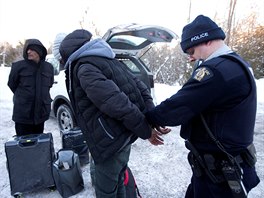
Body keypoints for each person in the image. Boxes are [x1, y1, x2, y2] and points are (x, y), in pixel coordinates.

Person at [145, 15, 260, 198]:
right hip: (223, 166)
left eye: (190, 50)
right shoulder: (237, 63)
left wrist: (148, 118)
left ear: (205, 41)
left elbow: (179, 106)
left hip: (220, 175)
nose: (191, 56)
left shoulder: (216, 71)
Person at [57, 29, 167, 198]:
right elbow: (141, 88)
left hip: (109, 143)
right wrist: (150, 118)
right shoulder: (109, 60)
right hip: (122, 137)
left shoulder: (85, 68)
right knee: (119, 180)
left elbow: (118, 104)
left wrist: (147, 130)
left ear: (67, 54)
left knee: (106, 191)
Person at [8, 39, 54, 136]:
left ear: (39, 51)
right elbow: (12, 84)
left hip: (41, 114)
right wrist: (24, 97)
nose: (28, 51)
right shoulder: (18, 66)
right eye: (27, 49)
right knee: (23, 145)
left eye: (32, 49)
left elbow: (49, 85)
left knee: (38, 143)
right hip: (23, 114)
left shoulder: (48, 67)